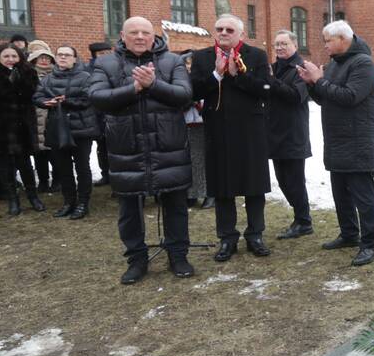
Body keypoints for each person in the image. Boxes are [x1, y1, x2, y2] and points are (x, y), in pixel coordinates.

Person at [89, 17, 194, 283]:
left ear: (153, 36)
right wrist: (133, 88)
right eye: (133, 32)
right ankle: (136, 260)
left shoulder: (172, 61)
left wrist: (153, 85)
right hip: (126, 147)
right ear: (122, 35)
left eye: (145, 32)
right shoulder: (105, 63)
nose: (139, 37)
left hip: (167, 144)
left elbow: (184, 95)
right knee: (128, 210)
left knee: (175, 205)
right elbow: (97, 98)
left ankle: (178, 255)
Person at [298, 19, 374, 266]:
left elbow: (350, 97)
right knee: (340, 192)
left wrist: (319, 81)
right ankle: (349, 234)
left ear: (343, 39)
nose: (324, 46)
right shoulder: (335, 64)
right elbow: (326, 98)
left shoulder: (363, 64)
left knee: (362, 196)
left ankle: (369, 243)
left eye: (328, 41)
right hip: (336, 139)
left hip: (359, 139)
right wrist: (311, 83)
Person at [190, 14, 272, 261]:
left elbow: (265, 90)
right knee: (222, 185)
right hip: (218, 129)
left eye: (229, 29)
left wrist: (239, 76)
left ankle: (255, 234)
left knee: (254, 184)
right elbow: (193, 91)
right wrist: (216, 75)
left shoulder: (256, 55)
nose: (224, 32)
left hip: (250, 129)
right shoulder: (203, 57)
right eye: (219, 29)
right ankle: (227, 238)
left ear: (241, 35)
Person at [34, 45, 98, 219]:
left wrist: (67, 101)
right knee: (63, 168)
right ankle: (69, 202)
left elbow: (88, 99)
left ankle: (83, 203)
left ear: (75, 59)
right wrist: (46, 102)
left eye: (67, 55)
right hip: (57, 127)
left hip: (81, 128)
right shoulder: (48, 79)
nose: (63, 57)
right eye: (60, 54)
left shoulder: (85, 77)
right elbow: (37, 96)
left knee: (82, 167)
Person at [0, 43, 44, 215]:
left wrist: (19, 78)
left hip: (21, 125)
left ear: (20, 57)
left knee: (25, 164)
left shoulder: (28, 71)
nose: (10, 60)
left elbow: (31, 93)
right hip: (0, 127)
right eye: (6, 56)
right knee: (5, 166)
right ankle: (13, 200)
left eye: (14, 56)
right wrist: (6, 79)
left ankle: (33, 197)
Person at [268, 29, 313, 240]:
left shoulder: (300, 68)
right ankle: (300, 217)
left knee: (294, 180)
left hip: (293, 133)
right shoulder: (274, 68)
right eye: (276, 44)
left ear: (294, 45)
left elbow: (296, 96)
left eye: (283, 44)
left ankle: (304, 221)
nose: (279, 47)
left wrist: (271, 81)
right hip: (274, 132)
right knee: (283, 180)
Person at [179, 51, 208, 208]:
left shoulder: (203, 78)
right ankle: (191, 193)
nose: (188, 66)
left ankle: (206, 193)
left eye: (191, 63)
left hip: (202, 123)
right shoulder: (180, 80)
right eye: (186, 63)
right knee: (188, 160)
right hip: (185, 122)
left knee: (199, 160)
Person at [27, 44, 56, 193]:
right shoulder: (28, 76)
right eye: (41, 58)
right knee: (40, 153)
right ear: (33, 60)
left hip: (53, 117)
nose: (44, 61)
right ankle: (43, 181)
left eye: (47, 58)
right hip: (35, 117)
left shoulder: (57, 75)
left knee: (56, 153)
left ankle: (58, 180)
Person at [88, 41, 113, 187]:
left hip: (113, 112)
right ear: (94, 56)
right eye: (101, 54)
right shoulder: (89, 70)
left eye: (107, 53)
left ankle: (116, 177)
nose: (105, 56)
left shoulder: (115, 66)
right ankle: (105, 174)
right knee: (101, 147)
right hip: (97, 114)